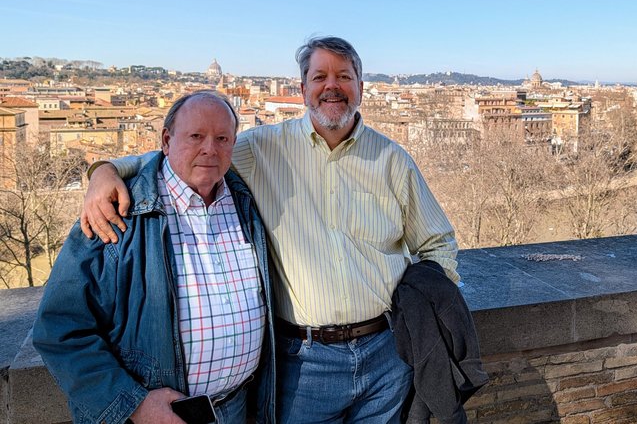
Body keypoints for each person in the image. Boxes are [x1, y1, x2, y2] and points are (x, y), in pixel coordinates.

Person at [81, 36, 459, 423]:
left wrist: (424, 304)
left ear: (360, 87)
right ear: (303, 88)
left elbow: (437, 242)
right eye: (320, 76)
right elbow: (189, 154)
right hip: (304, 364)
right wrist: (106, 170)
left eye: (344, 76)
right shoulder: (261, 148)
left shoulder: (392, 159)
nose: (332, 86)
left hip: (386, 354)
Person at [33, 92, 276, 424]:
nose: (210, 149)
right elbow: (59, 326)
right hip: (151, 415)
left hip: (237, 407)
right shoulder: (118, 211)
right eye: (196, 137)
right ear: (166, 139)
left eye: (222, 138)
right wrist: (132, 403)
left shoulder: (245, 199)